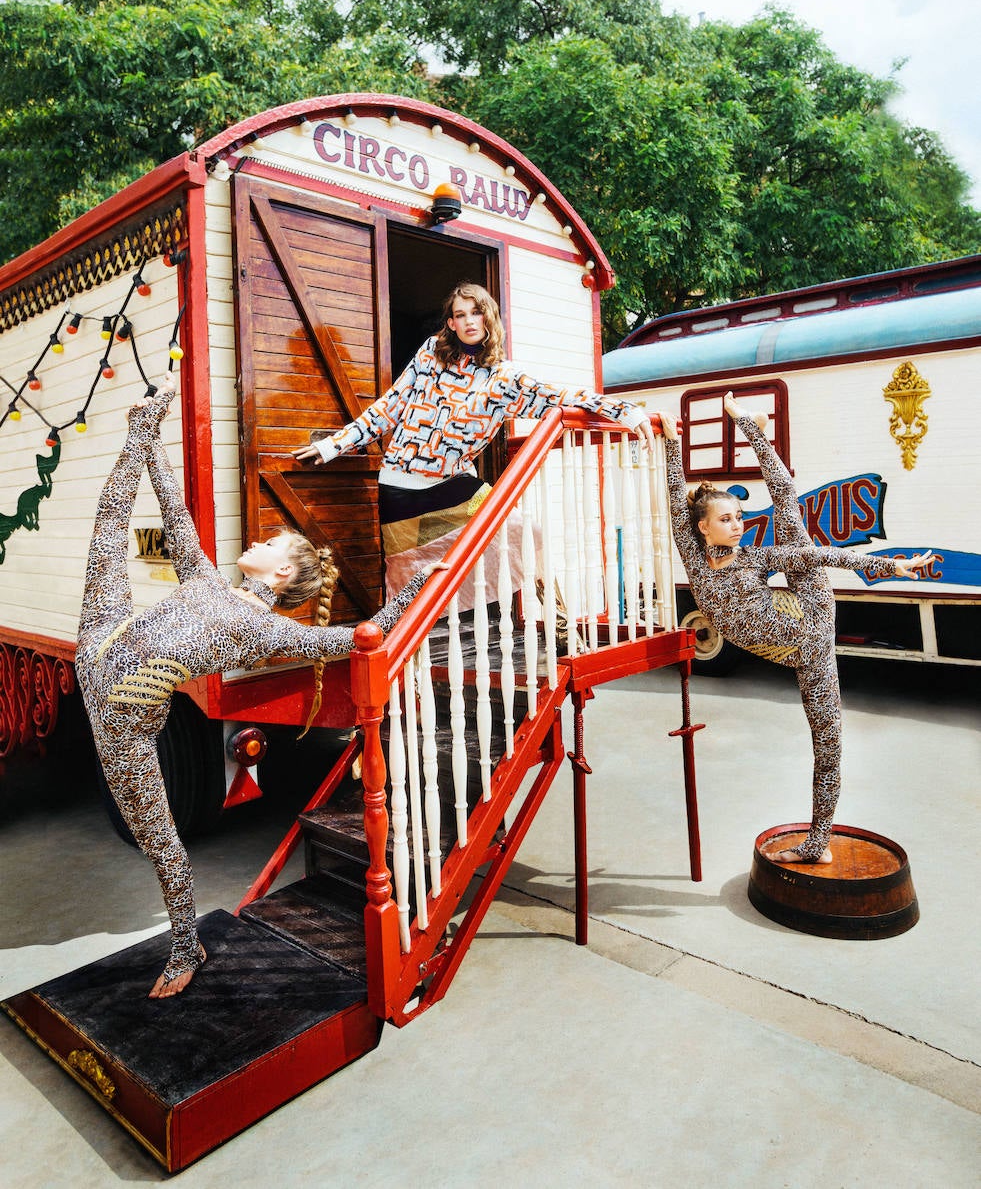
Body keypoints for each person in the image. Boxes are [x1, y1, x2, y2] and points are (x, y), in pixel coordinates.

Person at [75, 376, 438, 999]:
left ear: (285, 571)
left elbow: (356, 638)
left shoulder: (264, 631)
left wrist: (414, 592)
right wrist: (152, 438)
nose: (257, 541)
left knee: (160, 841)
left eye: (269, 543)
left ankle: (186, 945)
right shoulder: (209, 582)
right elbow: (172, 509)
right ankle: (142, 422)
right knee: (108, 529)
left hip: (125, 723)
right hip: (101, 639)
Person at [661, 393, 932, 865]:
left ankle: (750, 425)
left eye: (740, 516)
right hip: (808, 658)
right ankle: (818, 842)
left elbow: (818, 556)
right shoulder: (695, 557)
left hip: (812, 612)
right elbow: (674, 496)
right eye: (726, 519)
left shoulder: (755, 557)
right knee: (828, 749)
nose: (738, 524)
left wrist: (892, 566)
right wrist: (669, 441)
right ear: (703, 528)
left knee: (789, 510)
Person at [294, 282, 656, 592]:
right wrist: (332, 445)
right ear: (451, 323)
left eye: (476, 312)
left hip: (452, 484)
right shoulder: (430, 354)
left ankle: (556, 623)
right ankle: (409, 662)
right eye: (460, 315)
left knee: (523, 532)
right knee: (405, 578)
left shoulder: (505, 378)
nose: (469, 321)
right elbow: (389, 407)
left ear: (488, 317)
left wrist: (626, 411)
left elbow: (559, 397)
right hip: (399, 486)